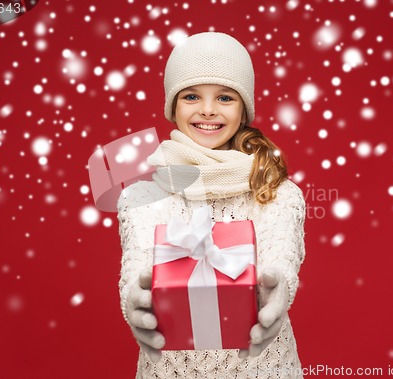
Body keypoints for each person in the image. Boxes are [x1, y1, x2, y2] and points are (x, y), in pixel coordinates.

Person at [117, 32, 306, 379]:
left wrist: (279, 288)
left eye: (224, 97)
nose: (207, 109)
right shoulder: (140, 198)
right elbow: (137, 266)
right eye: (191, 96)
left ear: (243, 108)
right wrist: (134, 300)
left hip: (265, 370)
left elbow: (282, 256)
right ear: (173, 106)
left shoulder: (277, 192)